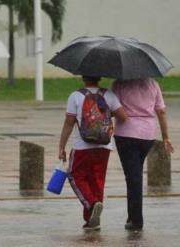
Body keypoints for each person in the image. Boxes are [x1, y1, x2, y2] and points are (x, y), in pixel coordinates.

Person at [58, 75, 127, 231]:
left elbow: (69, 123)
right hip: (104, 146)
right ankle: (92, 221)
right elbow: (123, 116)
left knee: (75, 176)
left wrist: (61, 146)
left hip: (82, 145)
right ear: (100, 77)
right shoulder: (108, 94)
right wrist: (106, 113)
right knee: (97, 180)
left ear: (83, 77)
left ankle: (91, 203)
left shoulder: (75, 96)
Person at [112, 78, 174, 231]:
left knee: (133, 177)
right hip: (148, 135)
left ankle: (136, 220)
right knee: (135, 174)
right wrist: (166, 136)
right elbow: (161, 111)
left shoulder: (119, 83)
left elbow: (112, 108)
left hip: (126, 134)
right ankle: (132, 216)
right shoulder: (153, 84)